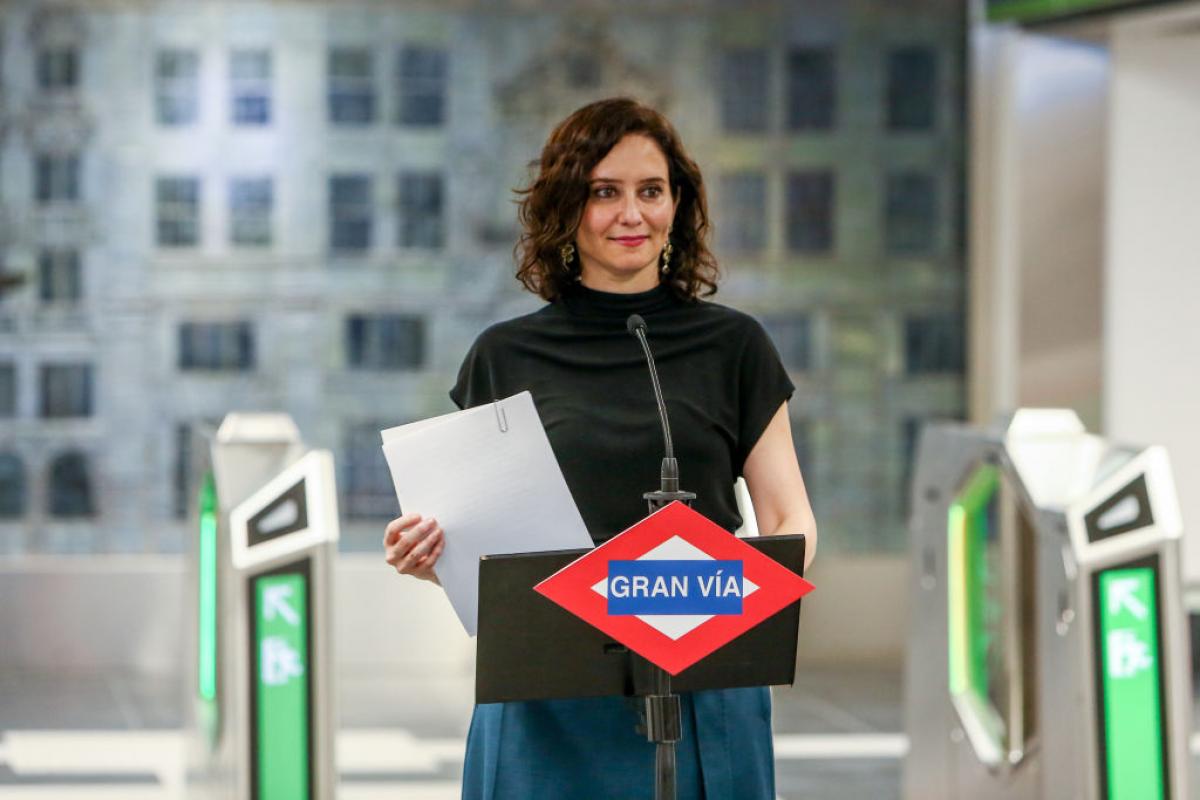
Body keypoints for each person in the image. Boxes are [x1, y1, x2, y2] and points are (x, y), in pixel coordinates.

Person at [384, 97, 817, 800]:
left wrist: (745, 603)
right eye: (604, 193)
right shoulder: (504, 355)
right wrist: (430, 556)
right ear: (567, 208)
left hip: (703, 672)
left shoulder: (735, 346)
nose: (631, 214)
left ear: (678, 204)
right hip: (548, 689)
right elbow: (481, 553)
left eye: (651, 191)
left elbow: (789, 516)